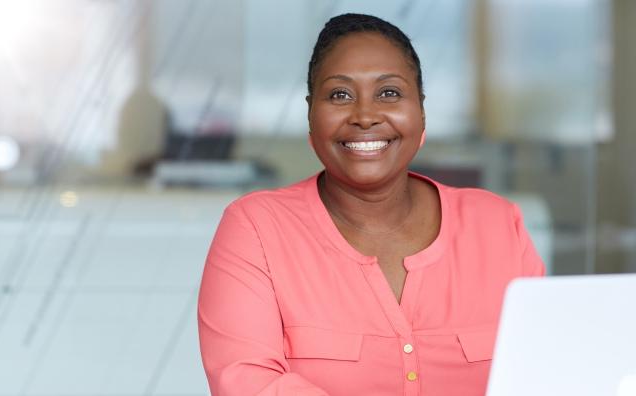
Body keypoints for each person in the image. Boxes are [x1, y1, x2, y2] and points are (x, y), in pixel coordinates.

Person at [198, 13, 545, 396]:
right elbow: (248, 384)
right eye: (340, 95)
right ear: (311, 115)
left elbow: (547, 371)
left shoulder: (497, 225)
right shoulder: (256, 228)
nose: (364, 116)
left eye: (389, 93)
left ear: (422, 110)